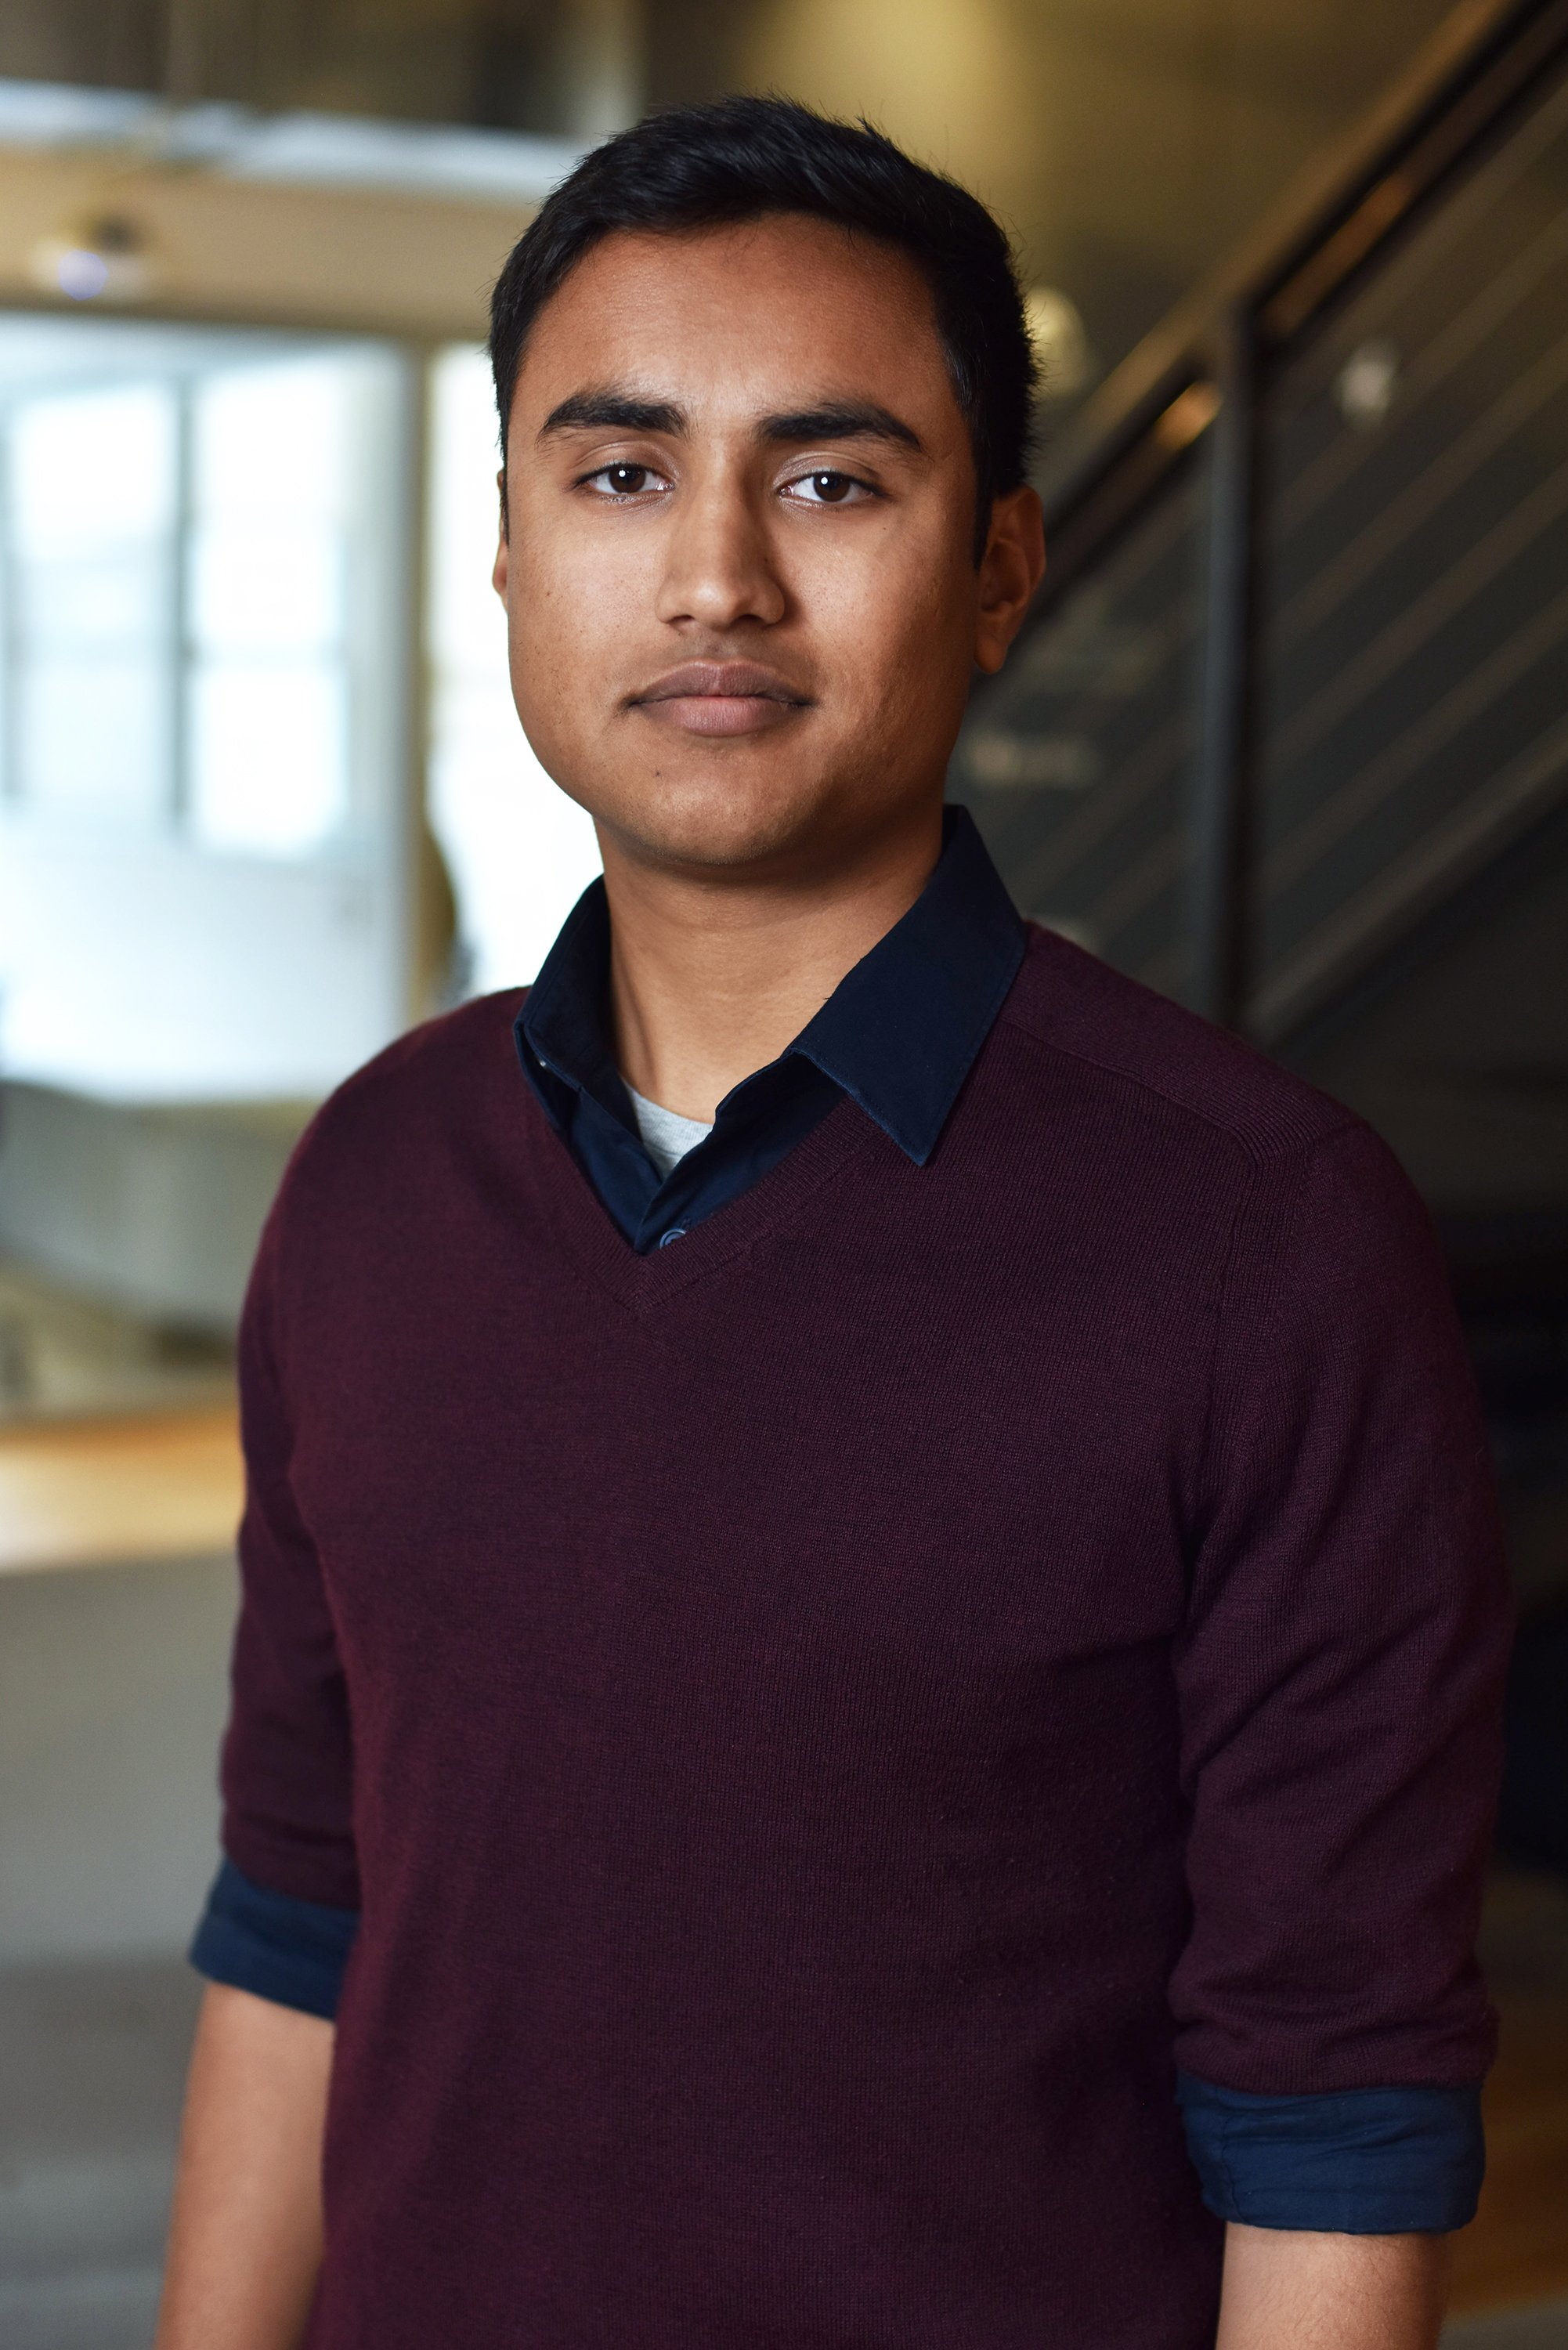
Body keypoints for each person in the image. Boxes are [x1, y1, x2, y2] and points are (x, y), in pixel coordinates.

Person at [155, 96, 1508, 2350]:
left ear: (996, 564)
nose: (713, 577)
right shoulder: (377, 1178)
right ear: (502, 555)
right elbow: (304, 1915)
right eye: (615, 474)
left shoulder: (1260, 1237)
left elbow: (1334, 2097)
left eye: (828, 477)